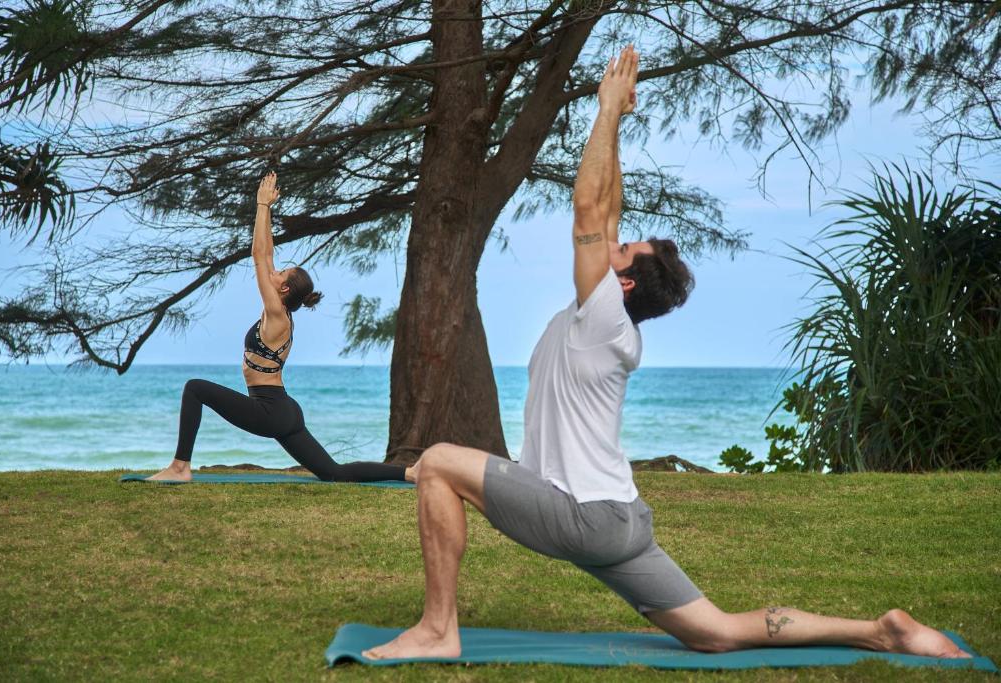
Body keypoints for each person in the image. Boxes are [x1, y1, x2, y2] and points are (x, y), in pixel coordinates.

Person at [362, 46, 968, 661]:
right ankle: (880, 630)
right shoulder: (613, 325)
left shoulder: (599, 317)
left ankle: (438, 629)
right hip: (622, 517)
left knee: (437, 460)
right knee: (717, 632)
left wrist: (603, 110)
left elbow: (588, 208)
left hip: (581, 514)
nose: (613, 242)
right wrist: (619, 122)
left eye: (622, 251)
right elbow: (609, 206)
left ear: (620, 283)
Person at [148, 172, 412, 484]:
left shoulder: (276, 313)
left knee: (195, 388)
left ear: (284, 289)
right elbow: (266, 254)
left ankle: (180, 467)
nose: (275, 272)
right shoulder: (280, 313)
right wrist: (267, 210)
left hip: (270, 410)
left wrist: (262, 204)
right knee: (334, 473)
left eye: (281, 273)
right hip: (283, 409)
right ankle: (409, 472)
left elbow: (259, 257)